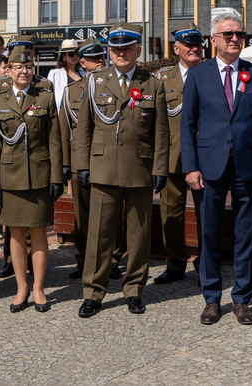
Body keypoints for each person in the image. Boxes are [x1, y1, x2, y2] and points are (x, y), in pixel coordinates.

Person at [180, 12, 252, 326]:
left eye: (239, 34)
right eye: (228, 34)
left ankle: (242, 298)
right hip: (209, 166)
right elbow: (188, 125)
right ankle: (211, 298)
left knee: (246, 234)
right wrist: (191, 167)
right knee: (209, 233)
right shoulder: (198, 75)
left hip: (248, 165)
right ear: (214, 40)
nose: (235, 39)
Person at [74, 22, 169, 318]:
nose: (121, 53)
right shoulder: (95, 81)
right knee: (100, 235)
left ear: (138, 51)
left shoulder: (152, 84)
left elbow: (162, 132)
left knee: (139, 235)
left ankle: (134, 290)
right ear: (109, 51)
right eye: (115, 49)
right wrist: (82, 166)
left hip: (140, 168)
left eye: (127, 48)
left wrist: (160, 169)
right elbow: (84, 128)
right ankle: (93, 292)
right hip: (102, 168)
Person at [0, 46, 62, 312]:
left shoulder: (44, 97)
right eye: (18, 67)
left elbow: (55, 140)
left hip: (40, 175)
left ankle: (39, 288)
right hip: (10, 177)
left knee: (40, 232)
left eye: (28, 67)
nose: (24, 71)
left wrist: (57, 176)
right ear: (8, 71)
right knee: (16, 235)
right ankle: (21, 287)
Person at [154, 22, 204, 285]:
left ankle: (205, 264)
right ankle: (174, 263)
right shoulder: (162, 80)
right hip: (173, 157)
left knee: (205, 214)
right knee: (171, 215)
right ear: (176, 48)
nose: (194, 48)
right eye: (188, 44)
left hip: (206, 158)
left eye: (197, 44)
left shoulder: (212, 74)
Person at [58, 38, 110, 279]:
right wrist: (66, 164)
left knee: (109, 215)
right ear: (82, 62)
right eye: (94, 59)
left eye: (102, 57)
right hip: (81, 161)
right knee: (83, 214)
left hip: (109, 159)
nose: (100, 61)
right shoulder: (72, 92)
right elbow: (63, 130)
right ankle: (83, 258)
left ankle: (110, 259)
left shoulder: (113, 86)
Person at [47, 39, 85, 109]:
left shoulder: (84, 74)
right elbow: (49, 96)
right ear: (64, 56)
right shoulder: (55, 74)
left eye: (77, 53)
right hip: (64, 112)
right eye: (71, 54)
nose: (75, 56)